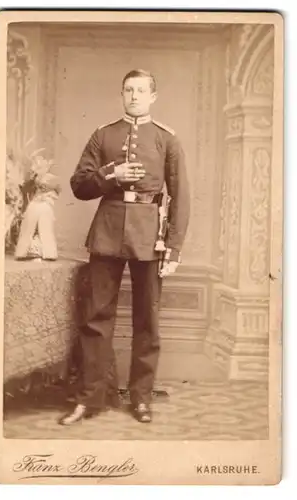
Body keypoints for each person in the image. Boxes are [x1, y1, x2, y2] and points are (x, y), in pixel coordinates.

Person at [59, 69, 190, 425]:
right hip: (107, 231)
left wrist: (173, 248)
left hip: (150, 236)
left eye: (141, 90)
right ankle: (90, 398)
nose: (134, 96)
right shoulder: (104, 134)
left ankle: (142, 398)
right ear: (122, 94)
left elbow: (181, 197)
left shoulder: (167, 139)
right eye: (128, 90)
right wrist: (110, 176)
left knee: (147, 320)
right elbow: (79, 186)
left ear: (153, 96)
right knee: (96, 318)